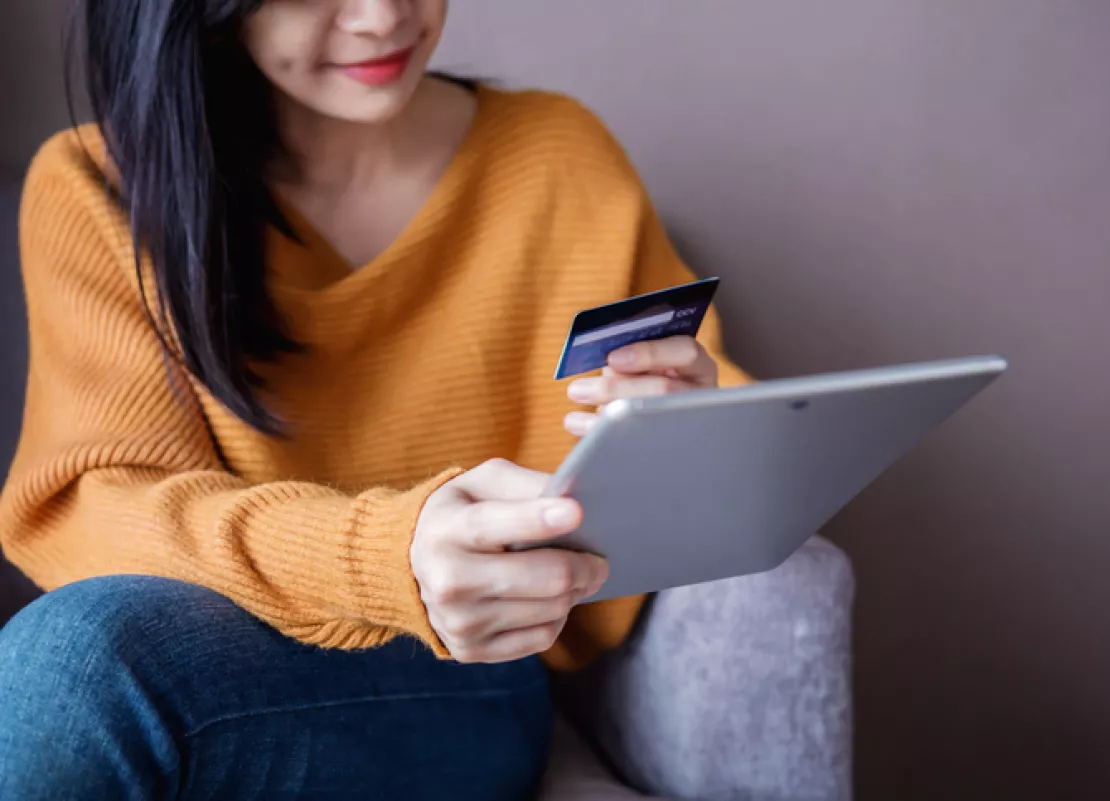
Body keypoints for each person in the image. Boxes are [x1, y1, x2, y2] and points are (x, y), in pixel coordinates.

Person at [0, 1, 750, 798]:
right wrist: (389, 557)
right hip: (210, 659)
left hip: (473, 683)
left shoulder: (558, 156)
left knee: (82, 660)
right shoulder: (98, 189)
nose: (382, 15)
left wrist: (677, 435)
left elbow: (739, 469)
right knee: (80, 652)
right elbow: (92, 507)